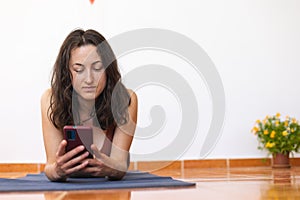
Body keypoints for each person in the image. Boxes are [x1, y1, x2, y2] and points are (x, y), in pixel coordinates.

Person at [40, 29, 138, 182]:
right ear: (67, 72)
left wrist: (112, 168)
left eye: (98, 68)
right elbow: (50, 166)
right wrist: (57, 171)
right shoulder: (50, 99)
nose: (89, 79)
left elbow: (120, 166)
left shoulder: (126, 99)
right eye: (79, 69)